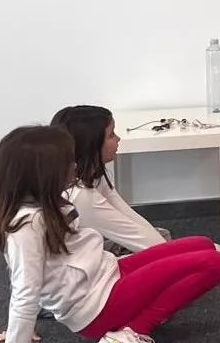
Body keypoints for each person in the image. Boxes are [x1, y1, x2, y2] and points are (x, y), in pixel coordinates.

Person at [0, 126, 220, 343]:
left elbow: (49, 274)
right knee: (212, 264)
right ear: (43, 174)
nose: (75, 165)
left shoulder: (49, 204)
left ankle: (131, 323)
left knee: (202, 245)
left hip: (109, 273)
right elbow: (25, 290)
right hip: (97, 307)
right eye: (68, 162)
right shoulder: (26, 225)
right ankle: (132, 331)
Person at [49, 106, 171, 253]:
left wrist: (167, 247)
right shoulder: (81, 196)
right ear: (91, 145)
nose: (118, 139)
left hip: (91, 252)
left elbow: (129, 218)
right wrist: (171, 252)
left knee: (164, 236)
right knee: (186, 257)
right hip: (86, 269)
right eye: (111, 135)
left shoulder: (93, 175)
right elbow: (133, 235)